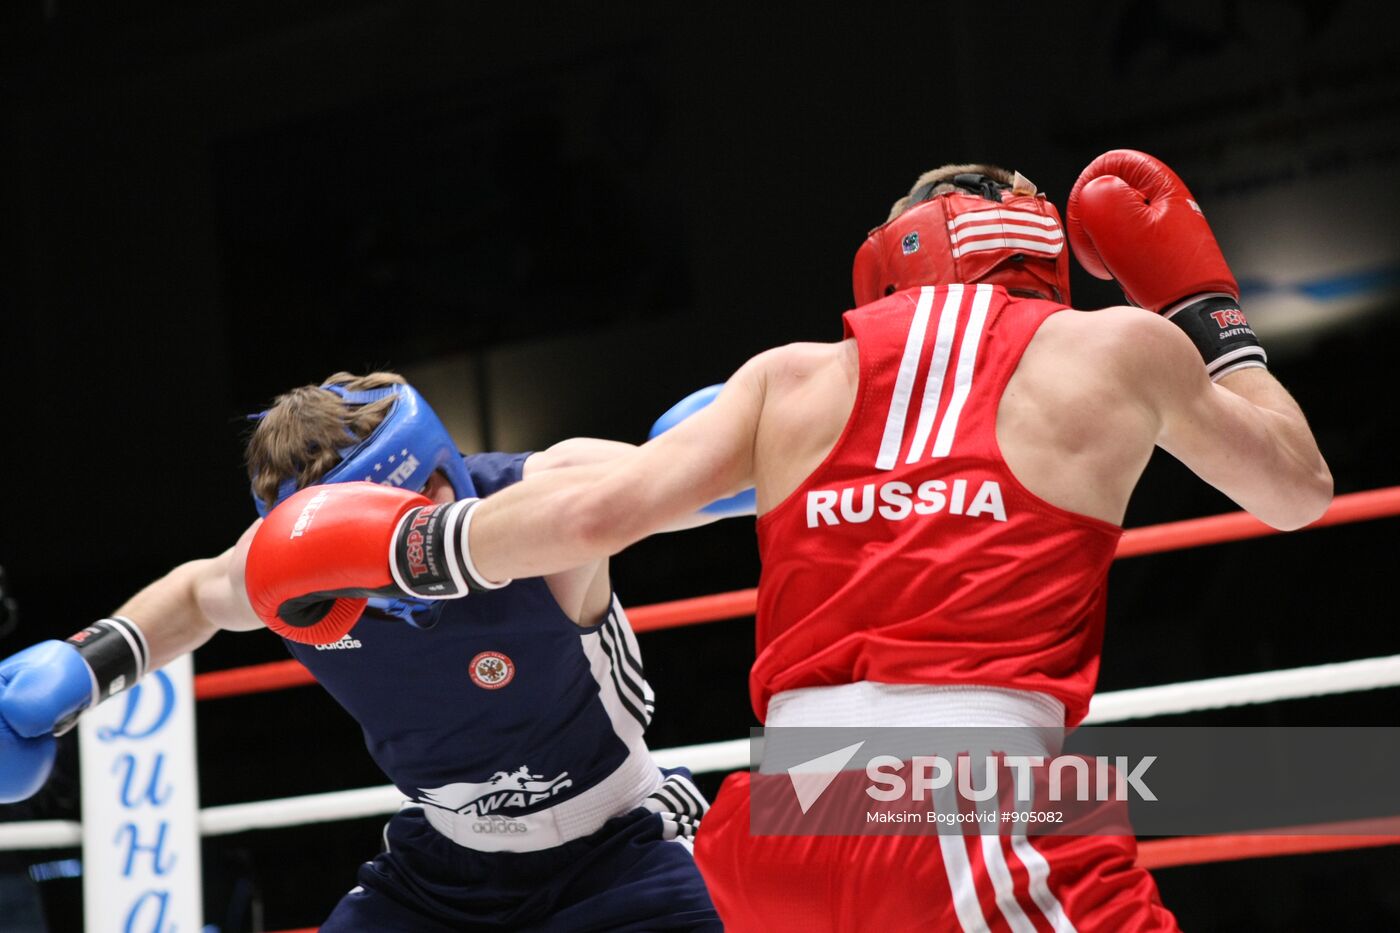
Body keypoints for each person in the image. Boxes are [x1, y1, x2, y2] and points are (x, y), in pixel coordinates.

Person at [243, 149, 1333, 930]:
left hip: (777, 818)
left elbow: (589, 514)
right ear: (1029, 236)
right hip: (969, 799)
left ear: (887, 262)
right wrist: (1205, 310)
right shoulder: (1113, 345)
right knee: (1285, 779)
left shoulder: (789, 376)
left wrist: (397, 550)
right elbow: (1295, 491)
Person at [0, 372, 725, 931]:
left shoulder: (546, 494)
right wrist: (86, 665)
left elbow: (658, 488)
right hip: (442, 871)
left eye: (430, 479)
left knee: (805, 887)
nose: (435, 507)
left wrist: (753, 444)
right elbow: (195, 594)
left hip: (618, 843)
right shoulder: (291, 583)